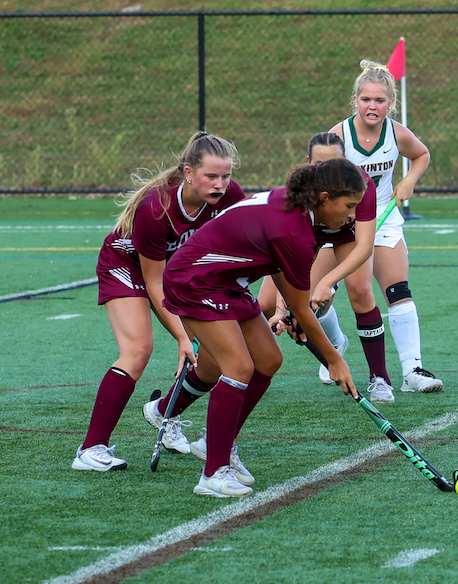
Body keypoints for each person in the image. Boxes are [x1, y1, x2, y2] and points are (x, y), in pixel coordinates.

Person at [163, 158, 364, 497]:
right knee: (239, 366)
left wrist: (301, 320)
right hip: (195, 280)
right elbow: (299, 305)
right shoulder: (294, 230)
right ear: (325, 197)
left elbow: (291, 291)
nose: (352, 215)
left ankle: (218, 445)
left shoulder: (298, 206)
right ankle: (213, 473)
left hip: (229, 283)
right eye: (349, 206)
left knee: (268, 360)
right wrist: (334, 360)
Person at [71, 133, 243, 472]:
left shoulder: (229, 197)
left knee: (212, 356)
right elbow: (154, 281)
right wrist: (181, 336)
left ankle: (166, 411)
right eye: (212, 176)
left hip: (178, 270)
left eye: (226, 176)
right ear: (189, 173)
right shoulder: (157, 207)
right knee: (139, 349)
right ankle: (91, 449)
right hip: (127, 265)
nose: (221, 184)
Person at [324, 60, 441, 394]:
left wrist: (408, 182)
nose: (372, 106)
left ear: (390, 102)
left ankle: (411, 371)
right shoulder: (338, 136)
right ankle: (334, 347)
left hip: (384, 216)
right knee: (319, 298)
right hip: (343, 223)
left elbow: (422, 155)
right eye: (365, 99)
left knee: (397, 290)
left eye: (379, 100)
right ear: (355, 101)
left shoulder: (397, 132)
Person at [256, 132, 386, 399]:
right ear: (307, 162)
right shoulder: (301, 190)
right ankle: (335, 342)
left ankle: (380, 378)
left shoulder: (360, 183)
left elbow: (364, 245)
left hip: (348, 236)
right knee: (266, 304)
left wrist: (328, 281)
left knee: (360, 291)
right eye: (318, 165)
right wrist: (283, 307)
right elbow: (286, 260)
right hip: (311, 238)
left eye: (334, 163)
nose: (326, 172)